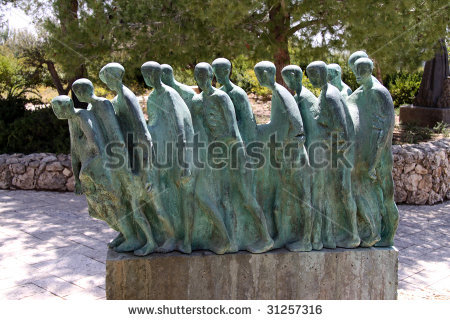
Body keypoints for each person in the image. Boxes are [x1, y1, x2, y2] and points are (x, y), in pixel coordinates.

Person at [71, 79, 160, 255]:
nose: (78, 95)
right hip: (115, 162)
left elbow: (116, 135)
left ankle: (148, 241)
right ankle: (128, 234)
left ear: (85, 91)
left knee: (134, 205)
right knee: (123, 203)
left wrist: (124, 165)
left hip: (121, 162)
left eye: (78, 91)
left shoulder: (103, 105)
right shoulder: (93, 108)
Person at [192, 62, 273, 253]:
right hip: (217, 154)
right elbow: (201, 130)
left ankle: (266, 237)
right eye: (198, 76)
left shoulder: (222, 97)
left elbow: (233, 129)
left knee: (246, 196)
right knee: (225, 198)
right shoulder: (196, 101)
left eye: (205, 75)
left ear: (211, 76)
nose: (201, 79)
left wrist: (241, 154)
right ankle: (231, 240)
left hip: (234, 151)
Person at [51, 95, 145, 254]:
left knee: (114, 203)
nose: (54, 112)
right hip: (89, 172)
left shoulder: (83, 116)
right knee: (100, 207)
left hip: (101, 169)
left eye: (56, 108)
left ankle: (132, 237)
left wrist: (91, 171)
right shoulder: (72, 119)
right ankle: (124, 232)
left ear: (66, 107)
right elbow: (75, 150)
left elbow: (97, 144)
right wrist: (77, 178)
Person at [254, 61, 312, 251]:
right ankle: (281, 236)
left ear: (265, 74)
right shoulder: (277, 93)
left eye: (258, 74)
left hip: (294, 157)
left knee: (303, 198)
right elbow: (277, 125)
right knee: (279, 203)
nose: (257, 78)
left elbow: (298, 127)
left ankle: (307, 239)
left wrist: (289, 142)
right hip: (285, 157)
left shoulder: (281, 93)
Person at [141, 61, 195, 253]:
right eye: (145, 75)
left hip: (177, 155)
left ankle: (187, 241)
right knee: (167, 196)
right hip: (162, 156)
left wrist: (184, 161)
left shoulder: (170, 94)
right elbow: (155, 124)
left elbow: (181, 127)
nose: (147, 78)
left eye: (149, 74)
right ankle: (172, 236)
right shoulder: (152, 97)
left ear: (156, 74)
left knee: (183, 198)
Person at [306, 61, 360, 249]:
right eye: (310, 75)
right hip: (334, 152)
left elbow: (342, 131)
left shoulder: (329, 95)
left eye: (314, 75)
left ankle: (352, 234)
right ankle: (335, 234)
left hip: (339, 154)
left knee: (344, 192)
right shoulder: (327, 92)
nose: (312, 79)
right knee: (335, 194)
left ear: (323, 74)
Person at [348, 57, 398, 246]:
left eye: (361, 71)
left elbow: (386, 131)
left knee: (386, 196)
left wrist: (374, 162)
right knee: (371, 193)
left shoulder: (379, 92)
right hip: (367, 155)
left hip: (380, 157)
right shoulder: (361, 92)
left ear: (369, 70)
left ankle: (388, 235)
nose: (357, 75)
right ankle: (373, 230)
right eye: (355, 70)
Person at [281, 64, 323, 250]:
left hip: (312, 155)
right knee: (309, 199)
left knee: (308, 199)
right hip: (310, 152)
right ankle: (313, 239)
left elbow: (305, 131)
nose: (286, 82)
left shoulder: (304, 98)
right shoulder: (299, 96)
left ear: (293, 77)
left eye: (286, 78)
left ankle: (308, 240)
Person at [212, 58, 257, 145]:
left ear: (226, 71)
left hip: (240, 139)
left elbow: (248, 120)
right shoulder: (220, 92)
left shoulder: (238, 93)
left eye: (217, 71)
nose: (215, 75)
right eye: (214, 72)